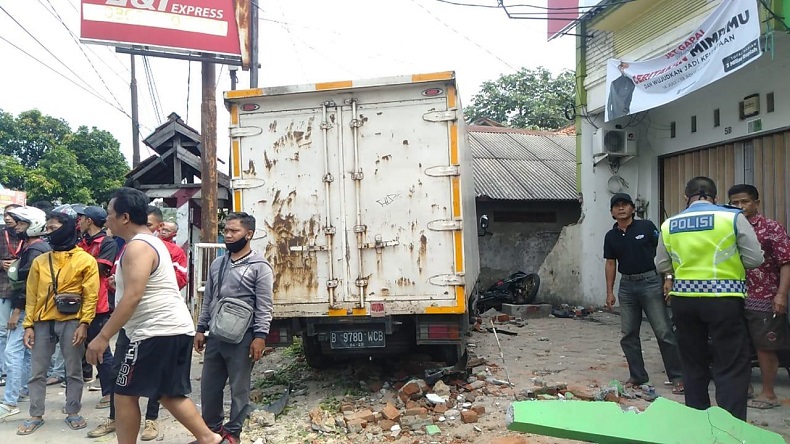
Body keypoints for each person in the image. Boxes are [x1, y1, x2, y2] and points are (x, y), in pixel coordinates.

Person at [86, 187, 222, 444]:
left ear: (125, 217)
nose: (107, 219)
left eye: (110, 213)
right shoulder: (150, 242)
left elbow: (133, 296)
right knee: (166, 393)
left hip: (156, 330)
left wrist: (103, 337)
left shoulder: (138, 247)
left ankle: (209, 439)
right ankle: (210, 439)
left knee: (125, 392)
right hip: (168, 329)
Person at [656, 176, 764, 421]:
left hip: (684, 300)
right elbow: (755, 259)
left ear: (686, 197)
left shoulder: (670, 224)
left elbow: (662, 264)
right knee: (731, 364)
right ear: (717, 197)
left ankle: (699, 424)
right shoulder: (732, 217)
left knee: (693, 364)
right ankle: (729, 426)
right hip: (724, 299)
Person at [17, 205, 99, 435]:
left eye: (53, 228)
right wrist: (28, 325)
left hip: (72, 321)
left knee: (73, 370)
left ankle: (73, 412)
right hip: (42, 323)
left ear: (67, 228)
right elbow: (32, 295)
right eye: (48, 228)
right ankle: (35, 415)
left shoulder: (85, 260)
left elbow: (90, 295)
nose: (49, 232)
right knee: (38, 371)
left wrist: (84, 323)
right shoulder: (40, 261)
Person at [195, 212, 273, 444]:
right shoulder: (218, 264)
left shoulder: (260, 267)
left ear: (249, 234)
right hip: (216, 335)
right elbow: (209, 298)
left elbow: (264, 306)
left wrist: (260, 336)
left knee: (239, 388)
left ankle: (233, 433)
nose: (228, 235)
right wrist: (201, 328)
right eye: (226, 230)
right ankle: (212, 432)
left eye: (234, 231)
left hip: (243, 338)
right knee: (209, 386)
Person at [603, 193, 683, 393]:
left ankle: (678, 377)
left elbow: (664, 252)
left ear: (632, 208)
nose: (621, 208)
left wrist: (668, 278)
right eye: (617, 206)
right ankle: (638, 376)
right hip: (627, 286)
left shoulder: (646, 227)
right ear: (612, 212)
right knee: (628, 334)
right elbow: (611, 263)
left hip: (650, 282)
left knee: (663, 331)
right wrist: (609, 292)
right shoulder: (611, 236)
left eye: (625, 205)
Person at [727, 184, 790, 410]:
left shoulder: (771, 228)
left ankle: (768, 393)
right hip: (733, 294)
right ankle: (744, 388)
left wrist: (781, 295)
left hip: (765, 296)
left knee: (765, 346)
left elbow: (786, 262)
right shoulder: (728, 227)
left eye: (745, 201)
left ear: (756, 203)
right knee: (738, 344)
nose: (740, 206)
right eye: (735, 203)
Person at [0, 206, 49, 420]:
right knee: (26, 351)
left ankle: (10, 401)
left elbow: (28, 285)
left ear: (33, 225)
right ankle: (22, 390)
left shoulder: (35, 250)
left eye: (21, 223)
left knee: (12, 352)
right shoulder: (35, 247)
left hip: (25, 309)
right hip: (32, 308)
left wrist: (16, 311)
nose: (17, 227)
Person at [77, 206, 117, 409]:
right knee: (84, 348)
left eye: (81, 218)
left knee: (101, 349)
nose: (79, 222)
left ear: (89, 220)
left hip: (98, 303)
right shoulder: (82, 242)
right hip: (79, 302)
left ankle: (110, 393)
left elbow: (100, 269)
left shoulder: (107, 243)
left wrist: (76, 267)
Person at [0, 204, 23, 386]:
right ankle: (3, 371)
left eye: (11, 214)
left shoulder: (28, 236)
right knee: (2, 332)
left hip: (22, 292)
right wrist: (2, 264)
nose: (7, 218)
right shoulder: (1, 234)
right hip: (3, 288)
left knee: (19, 334)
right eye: (5, 214)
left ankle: (18, 373)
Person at [147, 206, 188, 290]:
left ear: (174, 234)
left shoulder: (177, 251)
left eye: (167, 230)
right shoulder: (141, 243)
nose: (163, 232)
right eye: (163, 229)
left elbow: (182, 278)